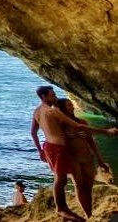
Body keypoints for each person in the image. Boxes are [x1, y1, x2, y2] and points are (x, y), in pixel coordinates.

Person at [30, 85, 117, 221]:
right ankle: (63, 209)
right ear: (44, 97)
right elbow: (77, 127)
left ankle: (74, 211)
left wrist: (40, 150)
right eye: (52, 95)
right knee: (66, 181)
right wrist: (105, 131)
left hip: (62, 150)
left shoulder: (37, 111)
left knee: (79, 184)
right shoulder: (55, 114)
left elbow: (33, 132)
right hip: (63, 152)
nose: (55, 97)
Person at [57, 97, 111, 219]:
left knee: (88, 186)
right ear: (62, 108)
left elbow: (91, 142)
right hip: (73, 159)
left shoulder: (82, 122)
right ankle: (88, 215)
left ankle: (89, 212)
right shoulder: (61, 126)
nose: (71, 107)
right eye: (68, 105)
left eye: (71, 105)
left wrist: (100, 160)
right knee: (79, 186)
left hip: (88, 157)